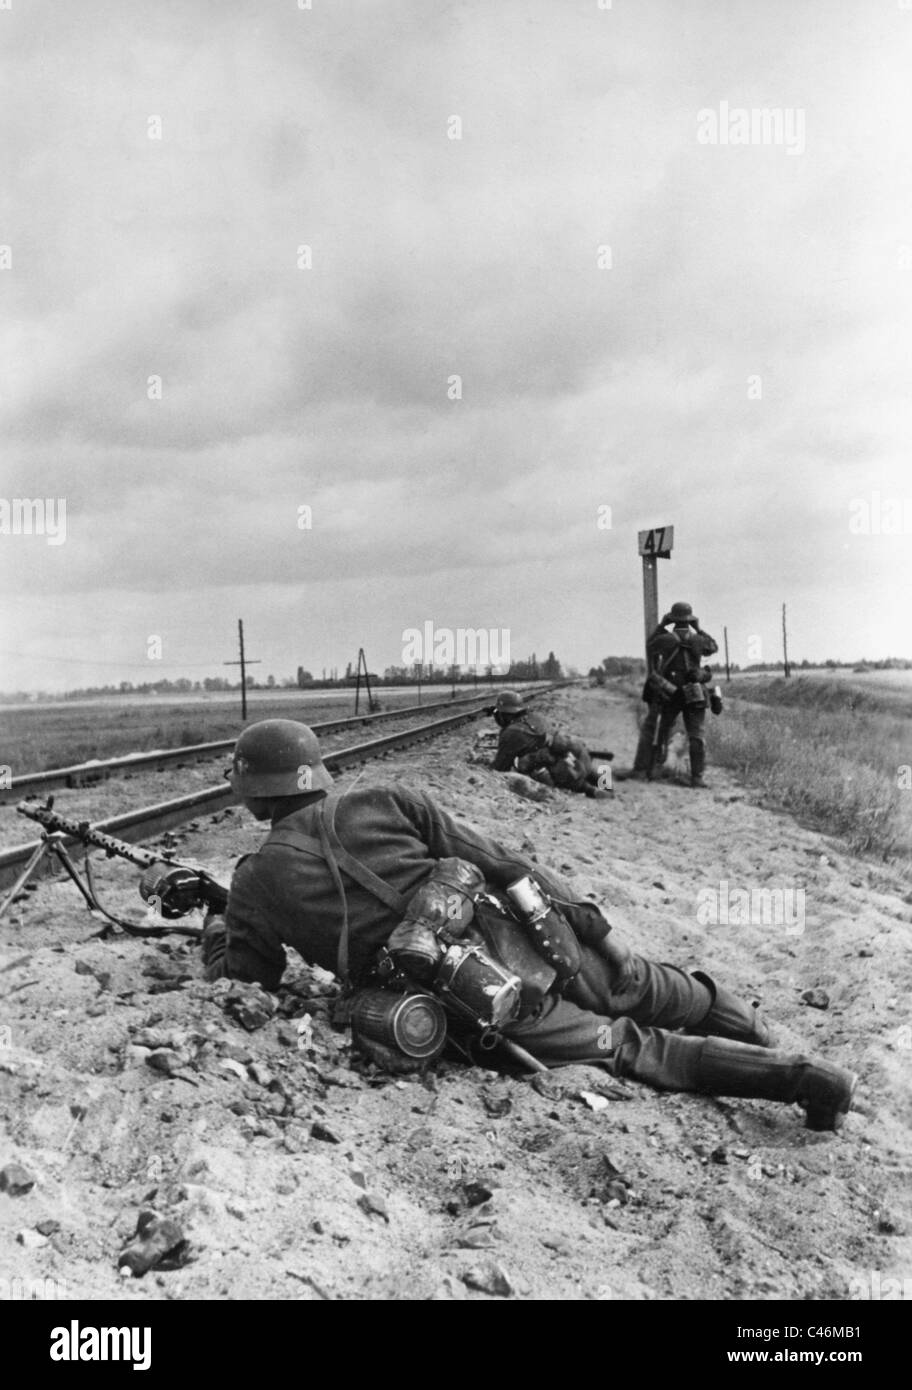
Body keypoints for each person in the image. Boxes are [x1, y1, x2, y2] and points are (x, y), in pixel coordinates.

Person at [201, 719, 856, 1132]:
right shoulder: (385, 798)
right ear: (314, 772)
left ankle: (801, 1080)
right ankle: (765, 1036)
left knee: (632, 1048)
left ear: (255, 791)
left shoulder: (257, 878)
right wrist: (598, 935)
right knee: (650, 988)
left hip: (475, 1000)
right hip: (535, 935)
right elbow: (508, 866)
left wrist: (215, 919)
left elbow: (247, 977)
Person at [632, 602, 719, 787]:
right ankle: (697, 777)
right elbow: (714, 646)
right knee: (696, 735)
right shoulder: (698, 640)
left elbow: (650, 645)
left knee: (662, 731)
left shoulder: (665, 639)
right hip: (694, 691)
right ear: (690, 620)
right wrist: (699, 628)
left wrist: (662, 625)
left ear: (672, 618)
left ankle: (654, 769)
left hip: (671, 692)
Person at [490, 691, 612, 798]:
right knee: (589, 772)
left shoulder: (511, 732)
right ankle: (609, 787)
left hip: (563, 768)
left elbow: (500, 767)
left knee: (525, 763)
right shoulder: (534, 717)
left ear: (505, 714)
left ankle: (594, 792)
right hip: (576, 750)